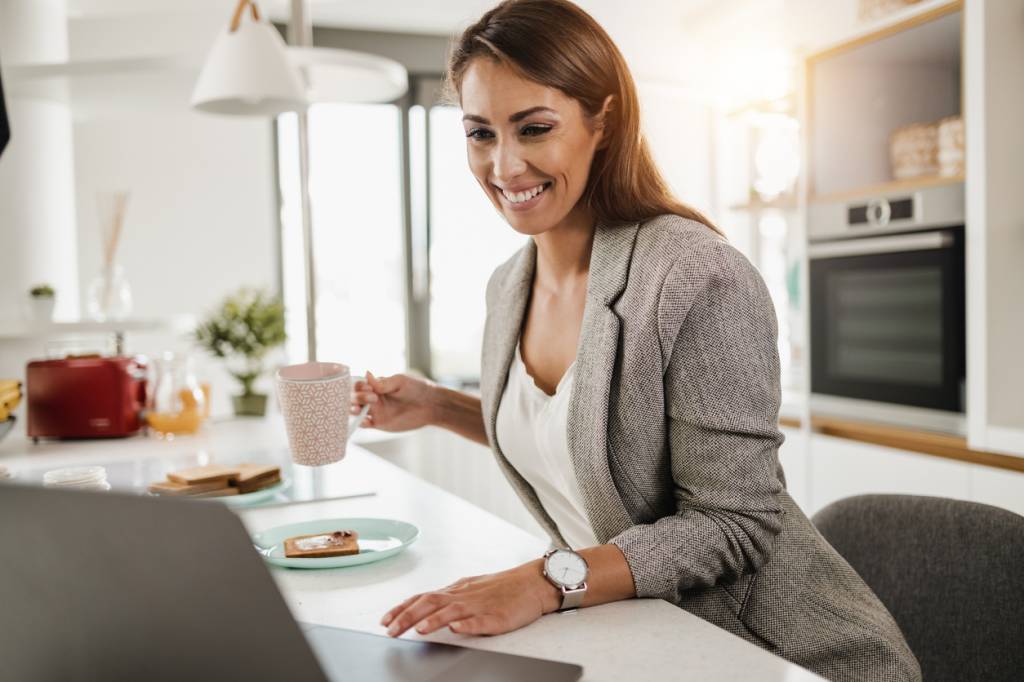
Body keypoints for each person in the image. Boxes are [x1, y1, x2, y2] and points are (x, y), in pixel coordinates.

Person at [353, 2, 921, 680]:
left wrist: (545, 580)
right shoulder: (508, 286)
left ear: (605, 121)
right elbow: (594, 437)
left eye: (534, 128)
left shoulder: (695, 277)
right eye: (480, 134)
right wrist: (439, 407)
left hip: (777, 656)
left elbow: (733, 522)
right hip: (643, 634)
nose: (504, 166)